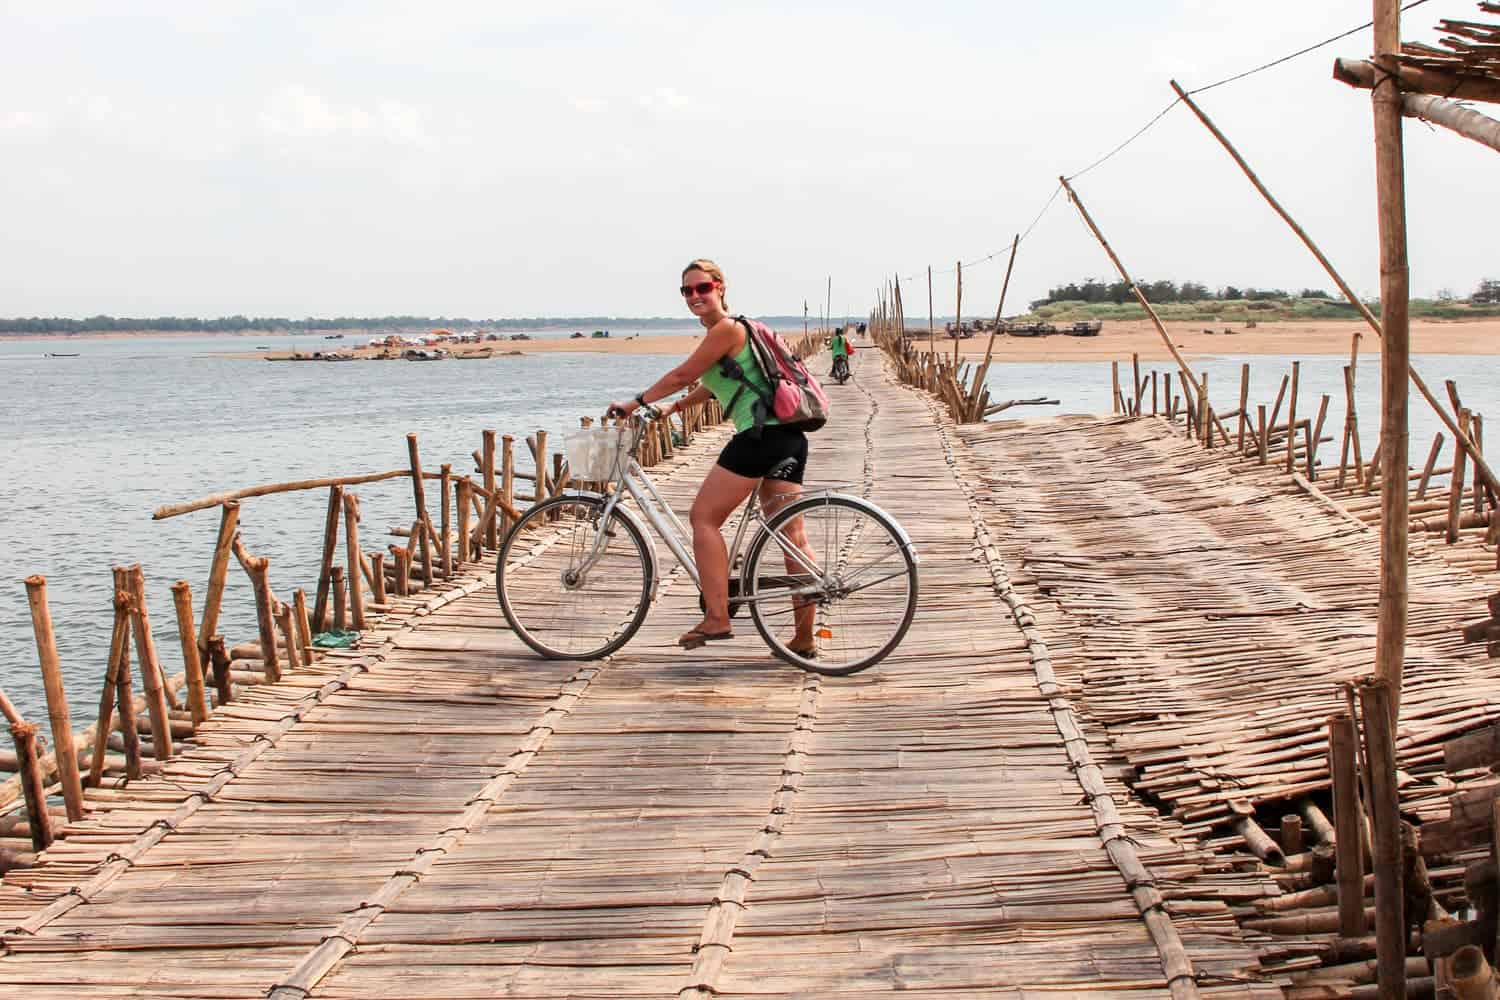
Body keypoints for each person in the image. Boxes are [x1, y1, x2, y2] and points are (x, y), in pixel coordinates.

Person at [609, 259, 819, 654]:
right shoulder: (739, 330)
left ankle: (717, 618)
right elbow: (713, 383)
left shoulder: (725, 329)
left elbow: (681, 374)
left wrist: (634, 402)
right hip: (788, 437)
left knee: (703, 518)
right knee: (792, 535)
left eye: (702, 288)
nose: (694, 297)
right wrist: (675, 408)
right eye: (686, 291)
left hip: (759, 439)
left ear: (720, 286)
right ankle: (805, 638)